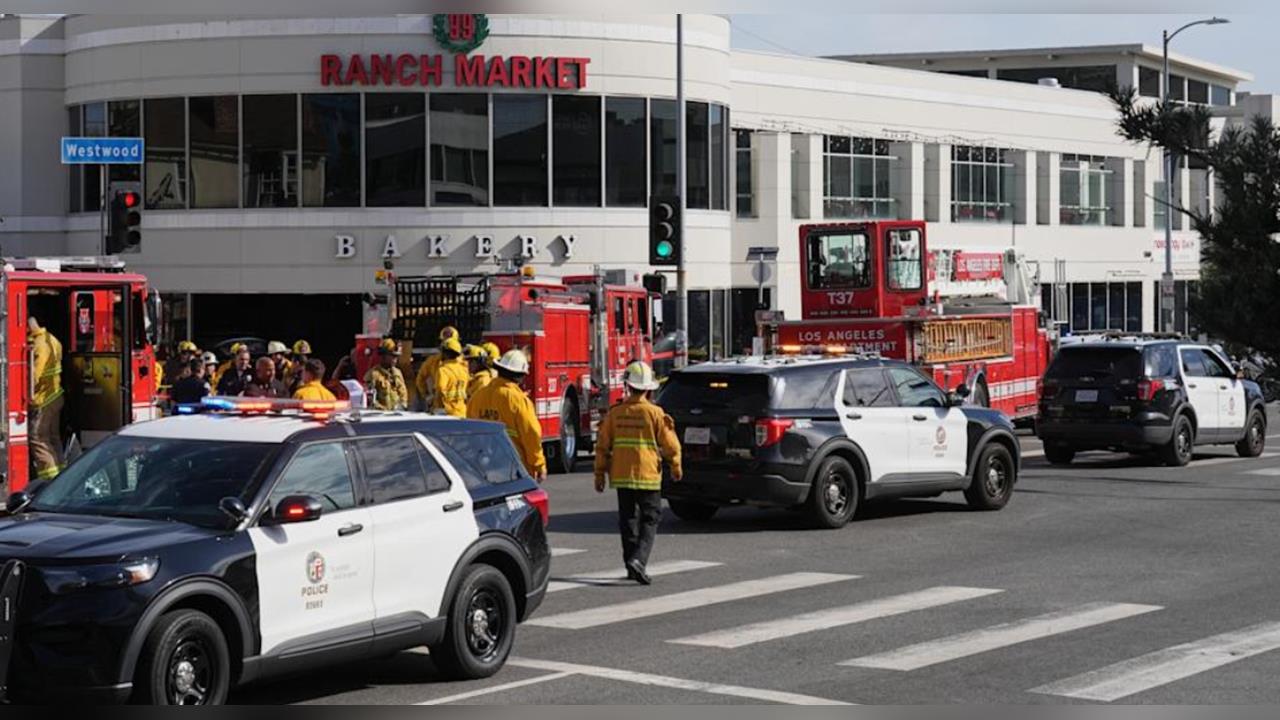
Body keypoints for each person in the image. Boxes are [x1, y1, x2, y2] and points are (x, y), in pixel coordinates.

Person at [593, 361, 682, 585]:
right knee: (650, 519)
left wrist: (599, 475)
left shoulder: (616, 413)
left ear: (627, 386)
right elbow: (671, 445)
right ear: (649, 389)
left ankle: (631, 564)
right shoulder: (655, 413)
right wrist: (676, 466)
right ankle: (639, 560)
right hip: (648, 476)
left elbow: (602, 446)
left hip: (622, 476)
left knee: (628, 520)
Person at [467, 349, 546, 481]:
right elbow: (531, 434)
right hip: (514, 469)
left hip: (483, 468)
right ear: (520, 376)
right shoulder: (519, 400)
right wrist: (538, 464)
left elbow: (469, 433)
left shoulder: (477, 397)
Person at [28, 316, 65, 482]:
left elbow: (34, 376)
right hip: (55, 396)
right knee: (53, 438)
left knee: (39, 439)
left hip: (43, 399)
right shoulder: (53, 340)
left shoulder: (39, 346)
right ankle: (62, 477)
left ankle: (49, 482)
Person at [415, 326, 459, 410]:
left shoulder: (464, 363)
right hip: (439, 407)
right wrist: (427, 396)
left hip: (457, 407)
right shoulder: (433, 361)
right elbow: (420, 378)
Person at [364, 339, 409, 410]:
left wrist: (402, 405)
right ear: (384, 356)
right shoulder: (373, 375)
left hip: (397, 415)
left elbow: (403, 393)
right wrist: (382, 409)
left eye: (396, 356)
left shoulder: (398, 373)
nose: (395, 359)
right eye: (392, 356)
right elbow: (369, 399)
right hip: (380, 417)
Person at [432, 337, 470, 417]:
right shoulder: (464, 369)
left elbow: (440, 390)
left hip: (446, 413)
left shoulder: (443, 370)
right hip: (462, 412)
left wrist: (437, 408)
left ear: (446, 353)